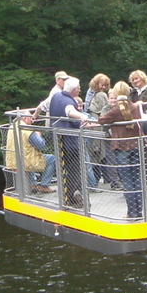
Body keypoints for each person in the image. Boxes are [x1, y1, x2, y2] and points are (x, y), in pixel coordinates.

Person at [98, 81, 143, 219]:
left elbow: (102, 120)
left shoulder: (117, 109)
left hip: (122, 147)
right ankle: (139, 212)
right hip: (135, 146)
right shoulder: (134, 107)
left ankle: (131, 212)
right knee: (136, 179)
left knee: (127, 180)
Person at [49, 76, 90, 208]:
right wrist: (83, 116)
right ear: (73, 90)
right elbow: (69, 111)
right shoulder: (68, 101)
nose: (80, 90)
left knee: (64, 168)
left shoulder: (56, 96)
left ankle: (67, 197)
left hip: (59, 139)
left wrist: (35, 114)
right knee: (74, 169)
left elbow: (42, 105)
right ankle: (73, 197)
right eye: (78, 88)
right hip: (70, 142)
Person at [5, 112, 56, 194]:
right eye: (31, 118)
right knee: (52, 158)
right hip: (26, 160)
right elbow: (41, 145)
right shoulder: (27, 130)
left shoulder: (12, 126)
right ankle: (44, 185)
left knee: (29, 159)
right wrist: (38, 134)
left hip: (14, 159)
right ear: (24, 118)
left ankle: (33, 185)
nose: (32, 121)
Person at [86, 74, 121, 189]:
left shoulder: (91, 93)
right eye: (102, 84)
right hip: (102, 130)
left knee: (103, 155)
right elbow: (104, 115)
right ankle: (110, 181)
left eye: (106, 85)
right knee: (104, 155)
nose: (104, 87)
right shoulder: (101, 96)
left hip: (97, 128)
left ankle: (106, 179)